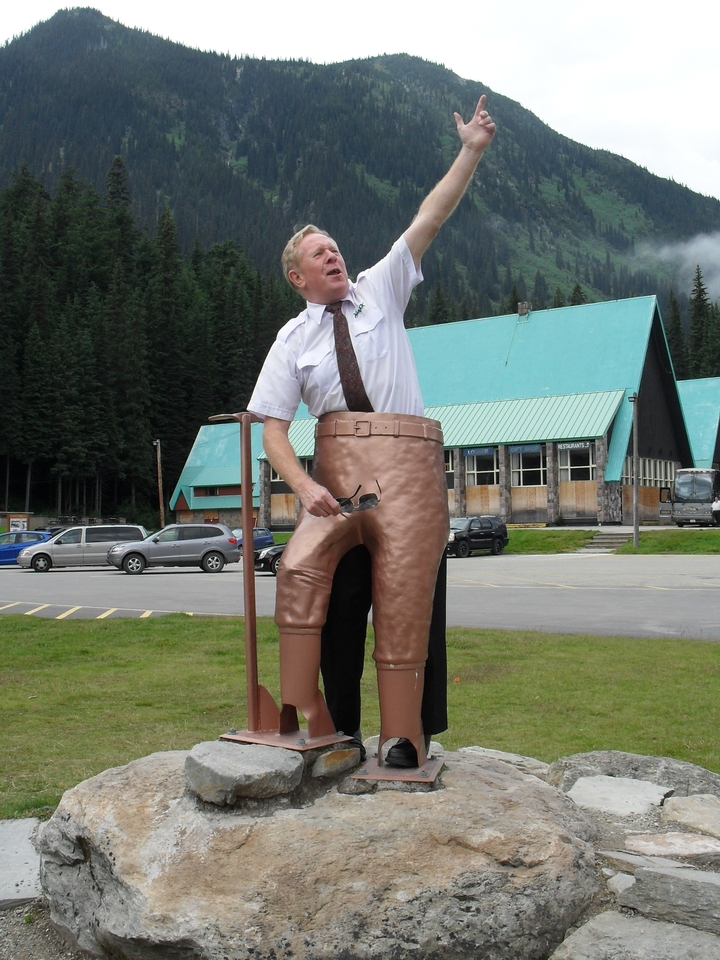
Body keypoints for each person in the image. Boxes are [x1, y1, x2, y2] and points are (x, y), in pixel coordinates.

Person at [248, 95, 495, 768]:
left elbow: (430, 216)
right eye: (317, 254)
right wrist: (302, 487)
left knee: (404, 605)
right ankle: (324, 724)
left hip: (406, 474)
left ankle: (404, 738)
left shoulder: (381, 289)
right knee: (310, 582)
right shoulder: (292, 339)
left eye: (333, 246)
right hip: (335, 482)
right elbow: (273, 429)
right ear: (298, 278)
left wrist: (470, 149)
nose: (333, 255)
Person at [321, 545, 448, 766]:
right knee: (339, 604)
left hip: (411, 512)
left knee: (415, 604)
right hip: (345, 512)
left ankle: (415, 726)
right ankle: (343, 725)